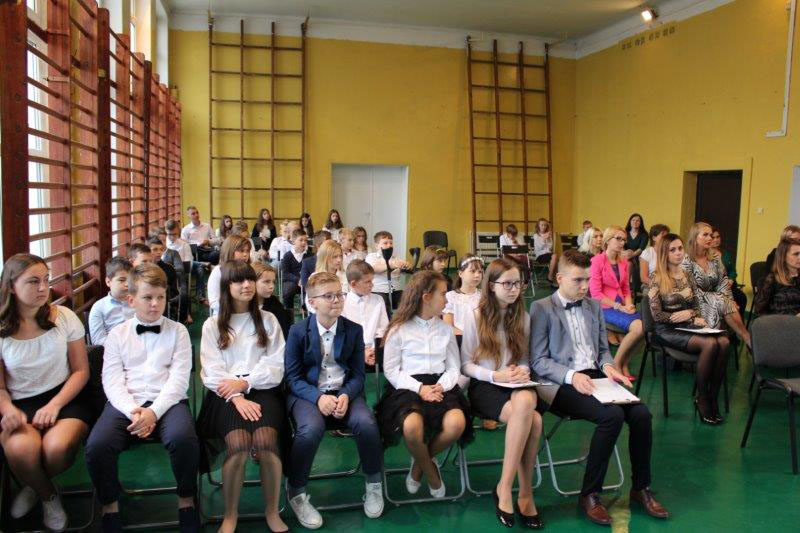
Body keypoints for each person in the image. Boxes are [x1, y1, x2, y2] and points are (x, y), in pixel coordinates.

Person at [531, 250, 668, 526]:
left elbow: (603, 350)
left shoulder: (593, 306)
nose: (585, 286)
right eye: (578, 280)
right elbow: (538, 361)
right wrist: (572, 376)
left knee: (642, 414)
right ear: (559, 278)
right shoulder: (541, 308)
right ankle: (590, 494)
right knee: (612, 416)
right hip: (559, 383)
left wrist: (609, 367)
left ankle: (641, 487)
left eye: (587, 280)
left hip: (596, 377)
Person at [85, 264, 200, 532]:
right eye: (148, 297)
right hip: (126, 403)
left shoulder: (179, 331)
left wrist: (153, 412)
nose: (155, 304)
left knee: (183, 439)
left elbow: (179, 380)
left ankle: (186, 500)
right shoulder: (117, 334)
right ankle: (109, 504)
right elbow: (111, 380)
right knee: (97, 445)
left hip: (168, 401)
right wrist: (133, 410)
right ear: (131, 300)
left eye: (160, 297)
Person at [0, 254, 93, 531]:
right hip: (19, 403)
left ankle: (33, 485)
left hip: (65, 396)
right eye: (33, 281)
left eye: (46, 280)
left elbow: (81, 371)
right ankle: (48, 495)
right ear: (11, 286)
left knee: (56, 449)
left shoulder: (63, 317)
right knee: (21, 449)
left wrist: (54, 405)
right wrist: (8, 409)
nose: (43, 288)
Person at [284, 272, 384, 528]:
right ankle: (296, 491)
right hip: (308, 394)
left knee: (367, 424)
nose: (336, 300)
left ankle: (374, 484)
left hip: (344, 391)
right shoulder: (297, 331)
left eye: (339, 294)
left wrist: (345, 395)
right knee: (309, 430)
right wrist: (318, 397)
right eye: (328, 296)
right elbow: (293, 378)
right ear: (312, 302)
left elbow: (358, 375)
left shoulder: (353, 330)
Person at [197, 261, 287, 533]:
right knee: (238, 445)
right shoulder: (213, 325)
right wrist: (237, 396)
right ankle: (230, 514)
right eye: (239, 281)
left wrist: (246, 383)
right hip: (224, 394)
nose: (247, 285)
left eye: (249, 279)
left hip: (263, 388)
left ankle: (272, 511)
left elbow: (276, 363)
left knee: (266, 442)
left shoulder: (268, 320)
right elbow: (211, 371)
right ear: (227, 286)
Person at [460, 258, 543, 529]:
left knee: (527, 401)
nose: (514, 289)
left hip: (516, 384)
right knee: (534, 421)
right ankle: (521, 492)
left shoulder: (523, 317)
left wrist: (521, 371)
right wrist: (496, 375)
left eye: (517, 283)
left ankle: (506, 488)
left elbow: (525, 359)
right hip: (485, 385)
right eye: (507, 283)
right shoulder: (475, 316)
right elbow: (465, 365)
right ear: (491, 285)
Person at [375, 270, 471, 499]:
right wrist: (420, 388)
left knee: (457, 423)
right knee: (411, 427)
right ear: (426, 297)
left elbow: (453, 367)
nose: (447, 299)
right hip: (407, 387)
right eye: (443, 294)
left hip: (440, 385)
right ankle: (431, 473)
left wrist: (441, 386)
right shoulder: (398, 329)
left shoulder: (446, 329)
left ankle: (419, 464)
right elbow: (391, 370)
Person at [648, 234, 730, 424]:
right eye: (673, 250)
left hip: (687, 325)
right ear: (664, 253)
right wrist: (683, 315)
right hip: (665, 330)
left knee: (724, 342)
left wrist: (692, 315)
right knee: (710, 345)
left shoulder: (688, 275)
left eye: (680, 248)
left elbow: (696, 306)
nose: (678, 253)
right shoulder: (656, 277)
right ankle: (702, 399)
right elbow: (656, 315)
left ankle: (712, 397)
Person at [682, 222, 750, 347]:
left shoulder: (715, 258)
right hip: (694, 303)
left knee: (728, 304)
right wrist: (718, 299)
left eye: (711, 235)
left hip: (717, 301)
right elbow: (690, 290)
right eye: (705, 235)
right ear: (695, 237)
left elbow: (723, 282)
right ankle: (747, 339)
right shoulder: (686, 261)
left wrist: (729, 300)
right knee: (721, 303)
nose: (710, 238)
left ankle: (745, 338)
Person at [589, 226, 645, 378]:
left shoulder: (623, 262)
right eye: (618, 239)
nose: (622, 242)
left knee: (647, 328)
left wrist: (629, 304)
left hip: (621, 305)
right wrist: (619, 306)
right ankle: (616, 364)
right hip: (604, 307)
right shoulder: (597, 261)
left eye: (624, 240)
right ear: (607, 240)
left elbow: (626, 289)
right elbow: (596, 294)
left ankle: (624, 363)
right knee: (639, 327)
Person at [342, 260, 389, 368]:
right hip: (351, 352)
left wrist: (374, 350)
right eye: (367, 282)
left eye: (372, 280)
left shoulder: (378, 300)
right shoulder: (343, 303)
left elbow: (383, 328)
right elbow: (344, 334)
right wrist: (361, 352)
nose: (372, 285)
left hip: (375, 351)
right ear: (353, 284)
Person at [89, 256, 136, 345]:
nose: (127, 284)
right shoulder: (99, 307)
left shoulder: (140, 302)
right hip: (113, 349)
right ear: (108, 281)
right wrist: (123, 347)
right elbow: (98, 340)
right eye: (121, 280)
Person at [366, 231, 410, 315]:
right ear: (376, 246)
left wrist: (407, 265)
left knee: (409, 302)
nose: (389, 245)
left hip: (396, 290)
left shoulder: (395, 258)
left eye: (391, 243)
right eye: (385, 243)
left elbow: (407, 265)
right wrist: (391, 265)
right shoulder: (371, 257)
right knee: (384, 308)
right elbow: (373, 268)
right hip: (379, 291)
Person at [754, 237, 800, 316]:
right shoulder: (773, 279)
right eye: (796, 254)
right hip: (779, 321)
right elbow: (759, 311)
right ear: (783, 257)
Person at [208, 235, 253, 317]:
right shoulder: (218, 271)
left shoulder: (249, 270)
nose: (245, 254)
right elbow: (214, 302)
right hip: (224, 315)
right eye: (241, 251)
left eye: (247, 251)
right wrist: (237, 308)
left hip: (247, 313)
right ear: (229, 251)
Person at [149, 237, 189, 324]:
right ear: (148, 251)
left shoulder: (168, 268)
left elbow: (173, 289)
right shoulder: (145, 268)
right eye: (155, 249)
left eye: (161, 249)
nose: (159, 252)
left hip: (168, 295)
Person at [710, 227, 747, 317]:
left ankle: (739, 322)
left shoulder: (726, 253)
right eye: (713, 237)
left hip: (729, 285)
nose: (716, 240)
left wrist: (731, 280)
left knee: (742, 297)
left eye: (718, 237)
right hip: (715, 288)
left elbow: (732, 271)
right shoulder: (705, 254)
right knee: (727, 303)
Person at [443, 255, 483, 335]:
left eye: (480, 272)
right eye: (472, 271)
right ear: (460, 273)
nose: (477, 275)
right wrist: (469, 336)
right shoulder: (451, 296)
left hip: (482, 339)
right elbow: (447, 327)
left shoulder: (483, 296)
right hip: (459, 339)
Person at [252, 262, 294, 340]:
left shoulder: (276, 306)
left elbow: (283, 334)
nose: (272, 286)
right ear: (252, 282)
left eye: (273, 282)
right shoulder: (243, 306)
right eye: (266, 281)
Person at [281, 229, 312, 309]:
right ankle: (289, 311)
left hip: (305, 281)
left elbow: (312, 271)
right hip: (291, 281)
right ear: (294, 241)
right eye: (301, 240)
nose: (304, 242)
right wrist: (297, 280)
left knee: (311, 291)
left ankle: (306, 310)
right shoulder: (287, 256)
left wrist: (304, 280)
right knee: (288, 291)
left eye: (305, 240)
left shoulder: (309, 255)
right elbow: (285, 273)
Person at [639, 224, 670, 288]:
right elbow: (643, 278)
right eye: (663, 235)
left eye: (667, 236)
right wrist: (658, 285)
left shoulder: (670, 252)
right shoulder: (647, 253)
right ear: (653, 238)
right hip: (650, 285)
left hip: (668, 285)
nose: (666, 238)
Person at [624, 213, 648, 294]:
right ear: (630, 222)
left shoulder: (644, 234)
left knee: (633, 263)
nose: (635, 222)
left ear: (640, 223)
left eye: (638, 221)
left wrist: (632, 254)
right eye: (633, 220)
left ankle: (633, 289)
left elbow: (641, 248)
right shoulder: (624, 233)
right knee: (628, 262)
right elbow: (621, 246)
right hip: (625, 256)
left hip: (638, 256)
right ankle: (625, 286)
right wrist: (626, 254)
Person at [532, 218, 559, 285]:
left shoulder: (548, 234)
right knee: (555, 256)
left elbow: (550, 246)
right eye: (542, 225)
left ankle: (553, 280)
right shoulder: (536, 236)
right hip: (539, 256)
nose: (544, 227)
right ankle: (551, 277)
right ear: (538, 226)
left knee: (555, 259)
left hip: (548, 255)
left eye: (545, 225)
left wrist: (548, 239)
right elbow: (539, 248)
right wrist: (544, 239)